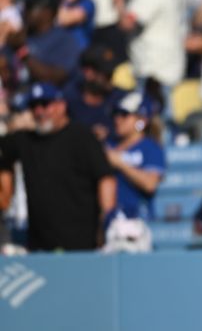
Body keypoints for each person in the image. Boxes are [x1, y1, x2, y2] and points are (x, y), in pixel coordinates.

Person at [0, 82, 116, 251]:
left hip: (82, 242)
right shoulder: (25, 139)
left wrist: (106, 223)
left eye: (45, 105)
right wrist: (11, 125)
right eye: (34, 106)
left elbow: (105, 178)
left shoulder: (81, 135)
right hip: (40, 245)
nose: (39, 111)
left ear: (61, 106)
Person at [105, 92, 165, 223]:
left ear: (142, 120)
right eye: (116, 114)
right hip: (109, 219)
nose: (117, 119)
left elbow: (150, 184)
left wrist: (120, 163)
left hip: (137, 220)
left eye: (124, 115)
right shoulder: (108, 144)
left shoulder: (150, 147)